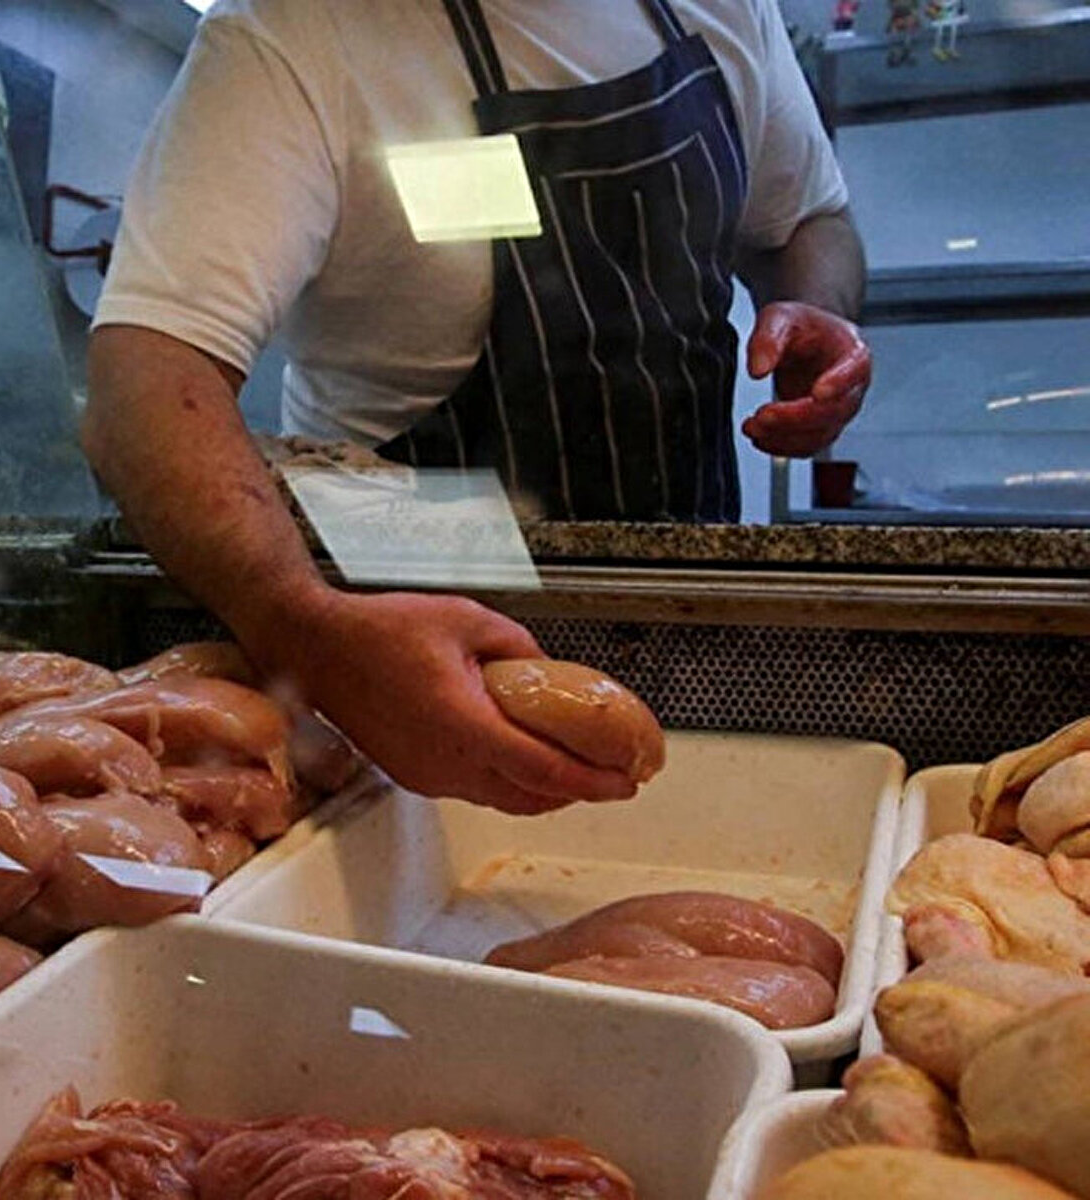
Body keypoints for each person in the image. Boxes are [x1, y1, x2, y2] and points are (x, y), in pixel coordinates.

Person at [84, 0, 870, 815]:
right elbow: (141, 385)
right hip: (415, 679)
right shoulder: (291, 37)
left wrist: (823, 312)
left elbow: (810, 219)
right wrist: (302, 626)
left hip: (694, 615)